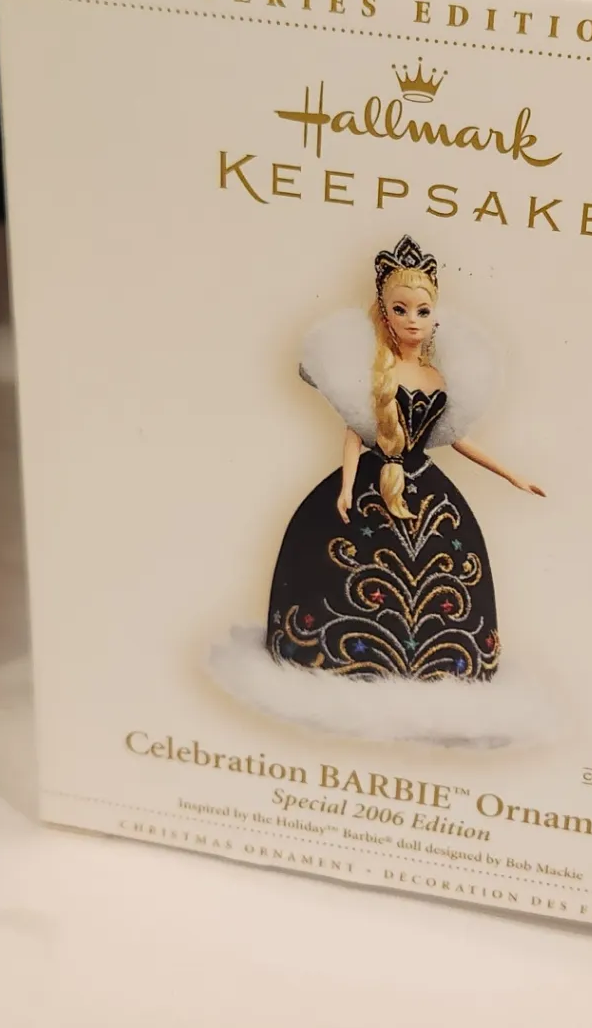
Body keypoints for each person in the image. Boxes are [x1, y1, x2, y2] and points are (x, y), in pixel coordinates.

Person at [207, 235, 551, 748]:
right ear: (384, 314)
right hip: (372, 483)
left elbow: (457, 438)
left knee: (449, 568)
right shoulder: (377, 374)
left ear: (435, 317)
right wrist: (347, 485)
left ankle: (441, 672)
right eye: (400, 309)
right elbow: (355, 431)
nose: (413, 320)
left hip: (427, 494)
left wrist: (510, 474)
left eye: (423, 310)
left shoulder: (438, 376)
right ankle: (337, 666)